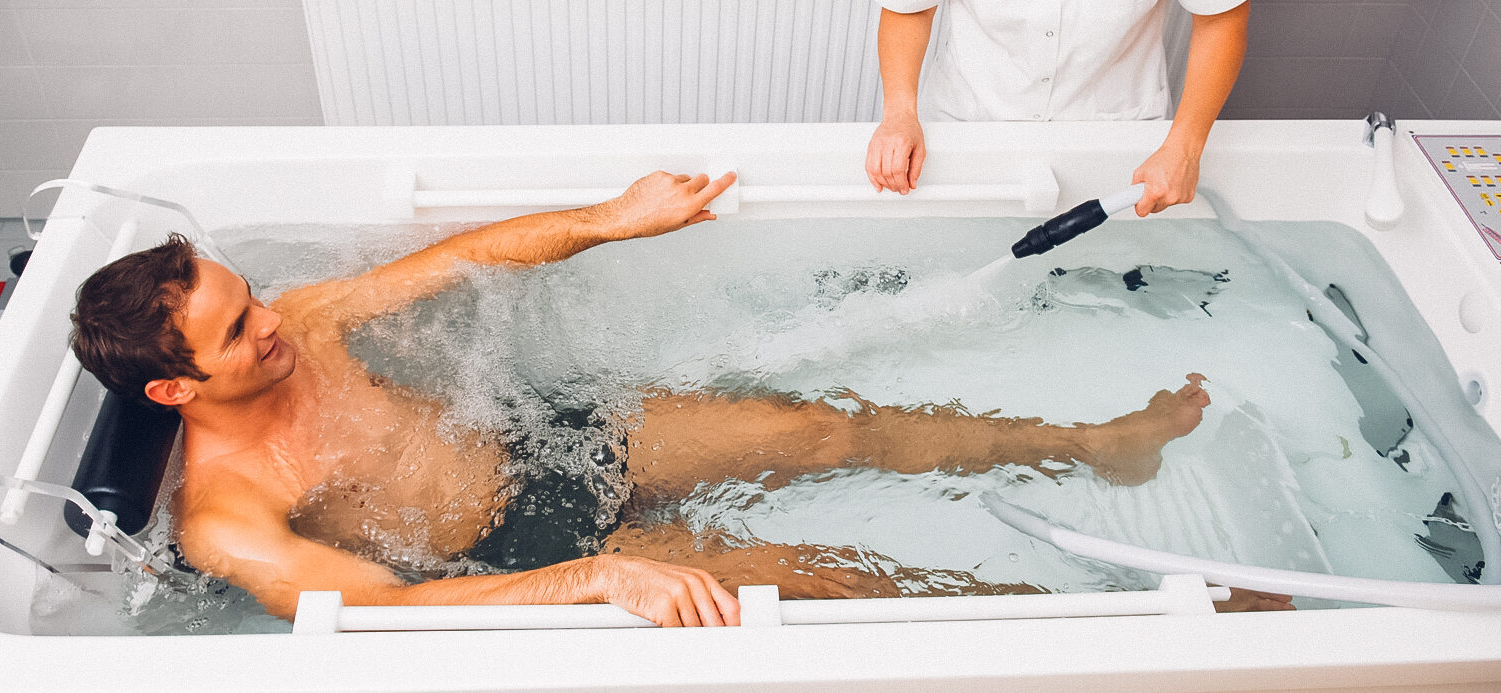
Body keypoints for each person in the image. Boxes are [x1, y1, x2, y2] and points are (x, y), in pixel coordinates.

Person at [69, 170, 1281, 627]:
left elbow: (463, 262)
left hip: (544, 440)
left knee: (821, 426)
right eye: (241, 328)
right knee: (823, 575)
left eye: (252, 296)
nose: (276, 318)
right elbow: (390, 614)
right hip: (523, 547)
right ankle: (1132, 623)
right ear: (177, 386)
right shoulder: (230, 517)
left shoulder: (306, 318)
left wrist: (608, 219)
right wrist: (596, 575)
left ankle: (1097, 447)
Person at [865, 0, 1250, 217]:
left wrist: (1185, 149)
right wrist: (900, 113)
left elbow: (1221, 18)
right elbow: (909, 7)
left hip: (1117, 144)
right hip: (971, 121)